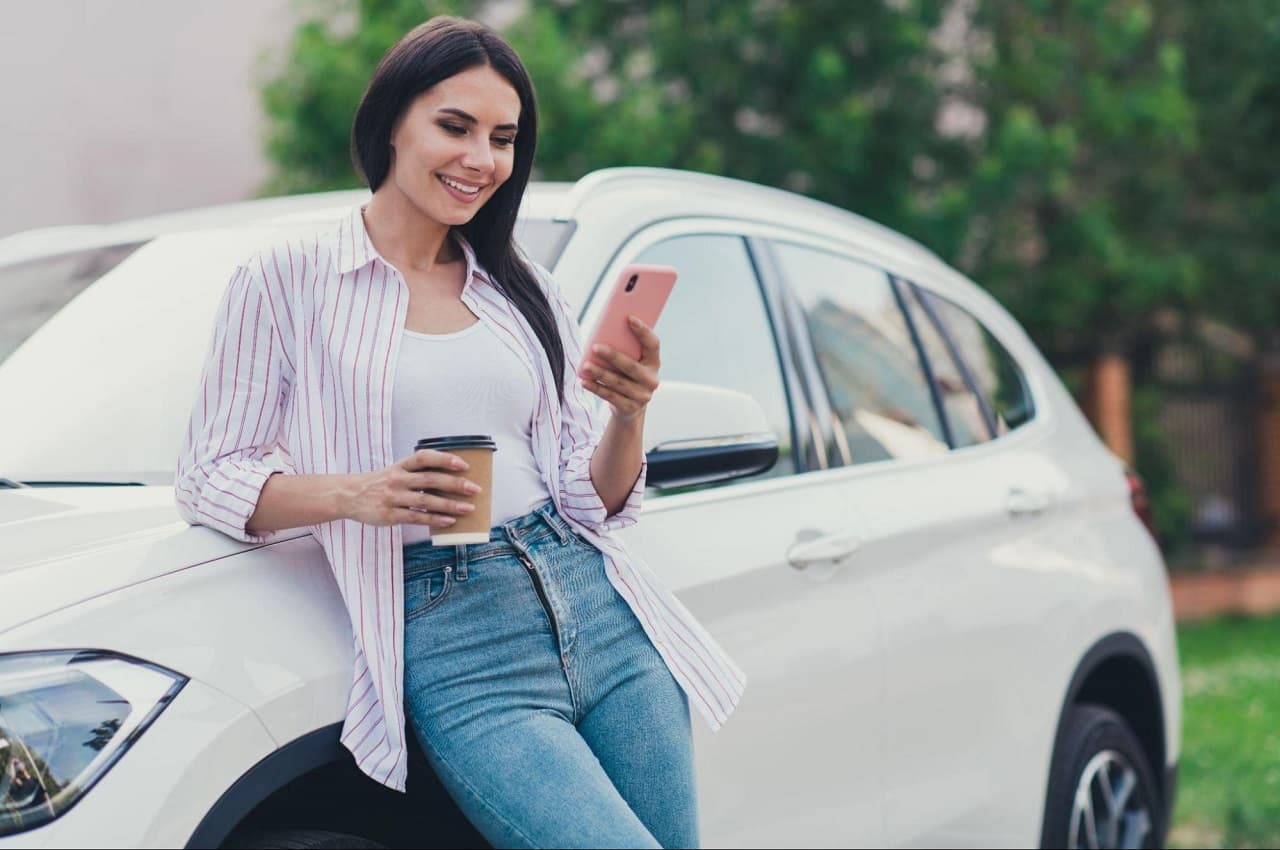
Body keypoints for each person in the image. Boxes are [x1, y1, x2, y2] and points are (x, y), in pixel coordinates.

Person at [174, 15, 745, 849]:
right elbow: (210, 473)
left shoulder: (524, 289)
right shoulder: (287, 283)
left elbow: (592, 498)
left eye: (503, 138)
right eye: (455, 126)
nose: (482, 158)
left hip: (599, 604)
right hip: (456, 632)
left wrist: (630, 410)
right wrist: (360, 493)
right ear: (392, 122)